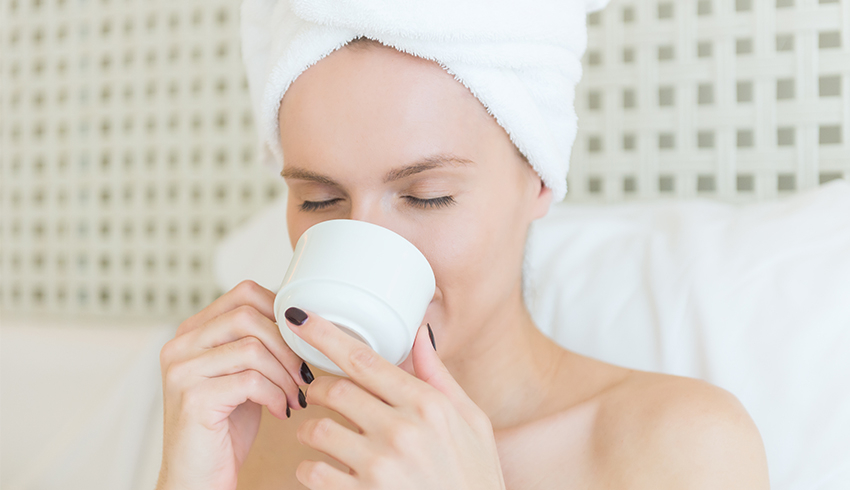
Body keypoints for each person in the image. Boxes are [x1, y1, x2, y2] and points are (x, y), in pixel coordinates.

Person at [156, 37, 770, 490]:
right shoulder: (264, 435)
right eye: (320, 200)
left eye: (427, 196)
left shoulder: (680, 448)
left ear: (538, 182)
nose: (365, 240)